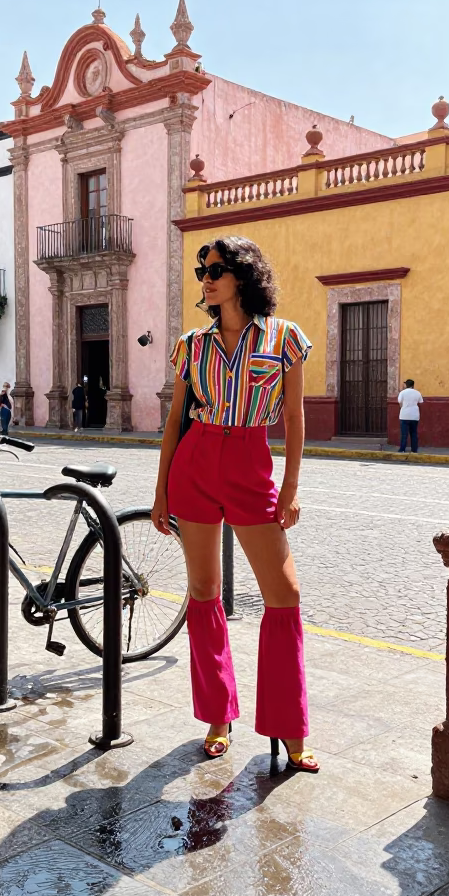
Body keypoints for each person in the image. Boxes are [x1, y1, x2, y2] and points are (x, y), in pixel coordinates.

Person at [151, 235, 319, 773]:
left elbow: (293, 419)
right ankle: (217, 714)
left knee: (284, 592)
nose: (205, 276)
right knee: (203, 591)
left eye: (216, 268)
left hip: (251, 462)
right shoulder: (191, 346)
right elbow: (176, 420)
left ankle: (288, 726)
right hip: (196, 464)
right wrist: (161, 491)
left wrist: (290, 488)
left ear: (243, 275)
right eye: (202, 269)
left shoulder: (285, 338)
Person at [397, 377, 423, 453]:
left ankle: (402, 449)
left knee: (404, 434)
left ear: (406, 385)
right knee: (414, 433)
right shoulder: (417, 393)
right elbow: (420, 402)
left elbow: (400, 402)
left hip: (404, 415)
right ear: (413, 385)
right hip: (414, 416)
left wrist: (403, 407)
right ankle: (414, 450)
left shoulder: (402, 393)